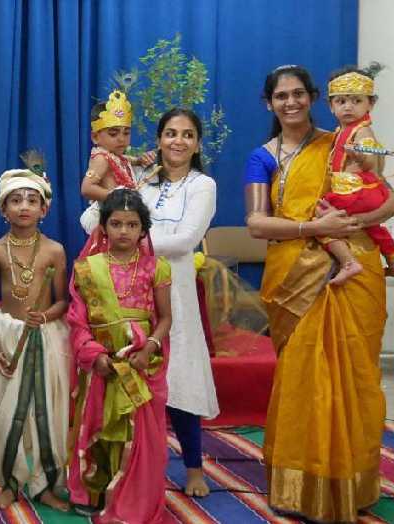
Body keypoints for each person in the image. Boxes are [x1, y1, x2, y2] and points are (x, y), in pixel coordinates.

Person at [245, 64, 394, 522]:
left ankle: (354, 481)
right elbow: (256, 224)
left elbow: (390, 202)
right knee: (303, 383)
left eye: (298, 94)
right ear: (268, 103)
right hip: (298, 276)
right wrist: (316, 227)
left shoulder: (345, 141)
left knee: (355, 377)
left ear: (313, 97)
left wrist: (347, 225)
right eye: (281, 96)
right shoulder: (264, 156)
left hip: (356, 271)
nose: (290, 103)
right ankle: (300, 486)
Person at [66, 188, 172, 523]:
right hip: (101, 362)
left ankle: (132, 497)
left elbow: (165, 318)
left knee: (137, 433)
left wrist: (150, 348)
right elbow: (77, 320)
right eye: (116, 223)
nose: (123, 231)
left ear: (143, 230)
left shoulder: (157, 267)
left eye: (131, 224)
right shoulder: (86, 269)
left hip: (141, 362)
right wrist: (93, 354)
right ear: (103, 228)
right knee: (98, 423)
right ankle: (94, 491)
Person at [136, 108, 219, 497]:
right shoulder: (142, 181)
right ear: (158, 139)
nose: (178, 141)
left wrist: (128, 240)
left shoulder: (202, 185)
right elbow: (91, 220)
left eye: (188, 135)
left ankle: (193, 469)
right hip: (131, 292)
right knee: (132, 380)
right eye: (170, 133)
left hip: (177, 294)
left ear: (198, 144)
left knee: (180, 380)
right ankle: (133, 470)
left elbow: (186, 241)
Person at [0, 154, 70, 511]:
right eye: (16, 200)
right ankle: (9, 481)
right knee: (7, 415)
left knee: (46, 413)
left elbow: (64, 300)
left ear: (44, 208)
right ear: (4, 207)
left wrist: (46, 316)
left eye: (32, 200)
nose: (24, 207)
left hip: (46, 337)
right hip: (7, 336)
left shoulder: (54, 251)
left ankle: (46, 485)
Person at [318, 62, 394, 283]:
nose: (348, 107)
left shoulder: (363, 131)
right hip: (361, 195)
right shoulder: (339, 132)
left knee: (319, 220)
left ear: (370, 104)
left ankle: (349, 262)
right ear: (331, 105)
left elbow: (368, 162)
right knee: (377, 229)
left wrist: (359, 155)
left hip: (356, 192)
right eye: (341, 101)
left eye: (356, 100)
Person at [80, 90, 147, 233]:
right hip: (111, 222)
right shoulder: (101, 159)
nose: (121, 139)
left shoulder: (115, 156)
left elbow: (127, 160)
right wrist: (119, 197)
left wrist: (139, 160)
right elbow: (86, 188)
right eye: (113, 133)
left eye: (126, 133)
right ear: (95, 137)